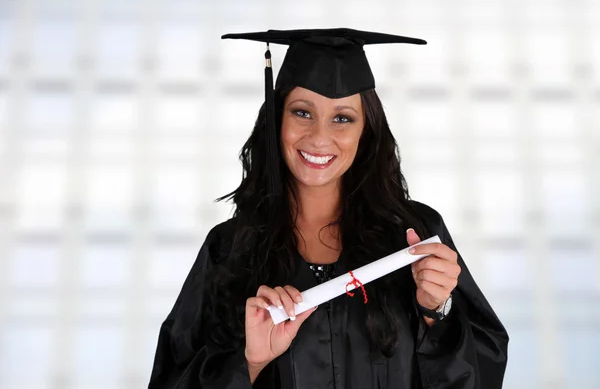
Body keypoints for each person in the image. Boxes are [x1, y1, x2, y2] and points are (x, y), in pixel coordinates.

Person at [148, 28, 509, 389]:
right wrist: (250, 363)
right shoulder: (228, 249)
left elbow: (479, 373)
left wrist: (436, 312)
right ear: (277, 122)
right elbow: (172, 376)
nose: (320, 137)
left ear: (367, 129)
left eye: (342, 118)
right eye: (302, 112)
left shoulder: (413, 236)